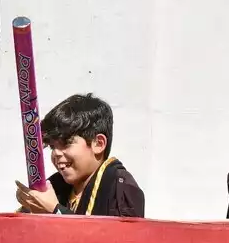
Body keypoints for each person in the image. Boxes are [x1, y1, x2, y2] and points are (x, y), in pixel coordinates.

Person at [14, 93, 145, 217]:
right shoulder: (55, 187)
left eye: (66, 143)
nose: (56, 153)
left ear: (98, 144)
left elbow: (116, 240)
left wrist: (55, 211)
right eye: (53, 147)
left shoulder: (121, 189)